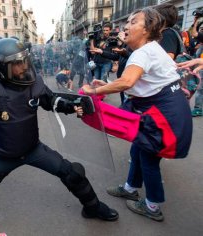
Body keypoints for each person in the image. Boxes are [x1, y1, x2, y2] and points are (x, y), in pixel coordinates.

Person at [0, 38, 119, 233]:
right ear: (1, 69)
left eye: (24, 61)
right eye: (16, 64)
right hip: (3, 156)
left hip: (33, 149)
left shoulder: (33, 82)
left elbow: (50, 100)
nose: (23, 68)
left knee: (73, 173)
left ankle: (93, 207)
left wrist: (72, 106)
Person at [82, 7, 192, 221]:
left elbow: (128, 81)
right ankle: (130, 187)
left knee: (147, 158)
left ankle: (152, 206)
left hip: (164, 116)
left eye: (133, 22)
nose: (126, 26)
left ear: (147, 29)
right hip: (165, 111)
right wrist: (108, 84)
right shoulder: (150, 49)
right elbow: (143, 83)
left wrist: (94, 90)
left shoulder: (143, 52)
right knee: (139, 150)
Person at [90, 31, 133, 104]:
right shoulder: (124, 45)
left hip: (128, 81)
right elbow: (115, 56)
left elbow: (132, 55)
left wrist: (93, 91)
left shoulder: (133, 46)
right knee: (124, 103)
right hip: (122, 79)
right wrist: (101, 52)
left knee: (128, 104)